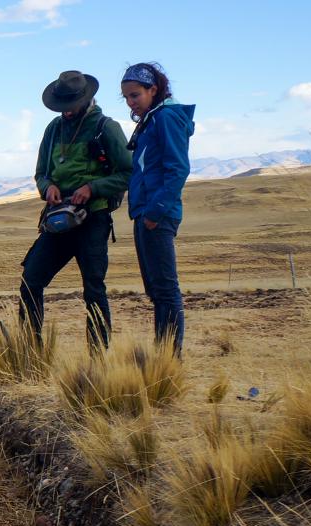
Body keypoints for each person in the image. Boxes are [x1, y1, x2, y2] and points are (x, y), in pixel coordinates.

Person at [18, 70, 132, 352]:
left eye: (69, 106)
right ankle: (30, 351)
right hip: (57, 218)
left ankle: (98, 355)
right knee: (30, 279)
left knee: (93, 288)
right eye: (62, 107)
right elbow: (41, 173)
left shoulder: (106, 127)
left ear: (86, 98)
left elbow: (129, 172)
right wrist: (48, 188)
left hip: (93, 218)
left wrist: (93, 188)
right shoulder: (53, 129)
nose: (66, 112)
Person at [122, 63, 194, 357]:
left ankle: (169, 360)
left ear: (154, 90)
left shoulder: (165, 118)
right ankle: (163, 354)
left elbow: (178, 169)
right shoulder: (152, 118)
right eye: (126, 97)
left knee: (165, 289)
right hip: (144, 212)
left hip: (156, 215)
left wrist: (155, 212)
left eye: (135, 95)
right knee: (156, 290)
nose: (130, 102)